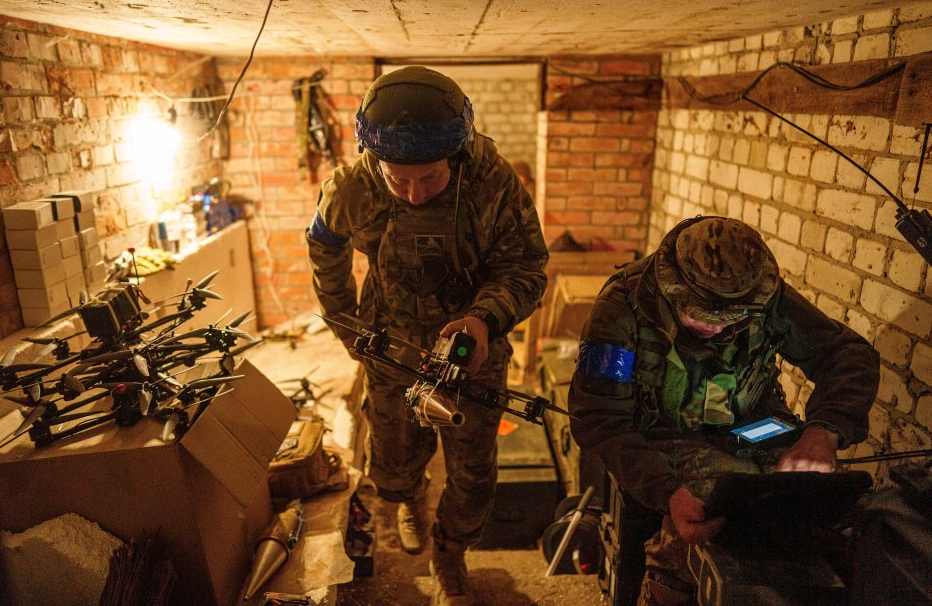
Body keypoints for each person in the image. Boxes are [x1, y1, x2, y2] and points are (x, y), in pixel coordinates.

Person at [306, 66, 548, 606]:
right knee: (391, 452)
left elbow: (528, 268)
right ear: (376, 162)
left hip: (470, 351)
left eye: (430, 180)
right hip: (389, 342)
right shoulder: (354, 187)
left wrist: (485, 320)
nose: (414, 195)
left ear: (455, 158)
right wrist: (345, 322)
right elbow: (324, 247)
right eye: (400, 181)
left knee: (473, 468)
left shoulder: (493, 183)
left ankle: (450, 553)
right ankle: (410, 496)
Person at [568, 216, 879, 606]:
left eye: (731, 318)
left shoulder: (765, 296)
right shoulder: (622, 309)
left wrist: (823, 431)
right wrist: (667, 494)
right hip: (661, 437)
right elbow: (599, 418)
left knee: (826, 502)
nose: (715, 329)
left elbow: (848, 354)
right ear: (672, 288)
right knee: (719, 509)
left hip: (754, 424)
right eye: (700, 315)